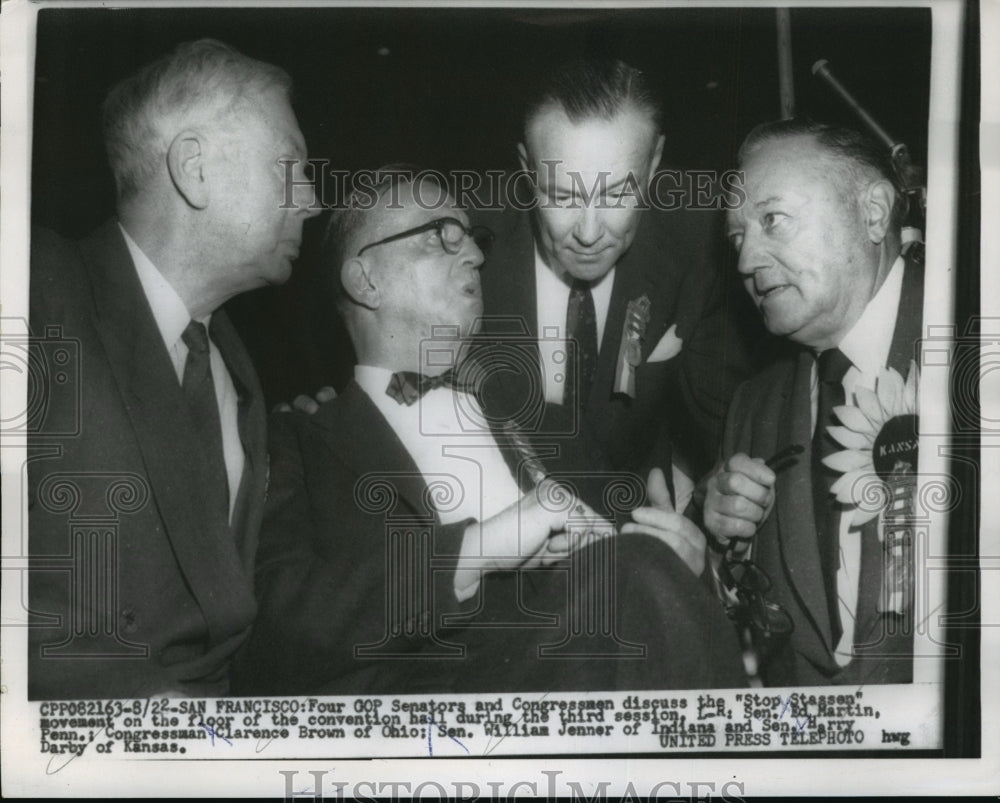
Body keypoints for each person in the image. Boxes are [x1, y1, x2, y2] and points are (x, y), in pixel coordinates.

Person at [233, 171, 746, 695]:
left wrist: (688, 568)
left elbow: (644, 573)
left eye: (474, 240)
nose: (477, 257)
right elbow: (275, 627)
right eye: (441, 237)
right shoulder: (295, 439)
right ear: (365, 281)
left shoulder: (544, 422)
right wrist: (478, 549)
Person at [27, 39, 320, 699]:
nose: (311, 201)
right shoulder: (30, 286)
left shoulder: (240, 375)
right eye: (292, 168)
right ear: (194, 168)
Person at [699, 119, 923, 685]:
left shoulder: (973, 351)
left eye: (772, 220)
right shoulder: (753, 410)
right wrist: (723, 548)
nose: (747, 260)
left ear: (873, 212)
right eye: (736, 237)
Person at [473, 58, 753, 506]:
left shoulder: (698, 245)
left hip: (636, 527)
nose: (588, 233)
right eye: (561, 195)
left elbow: (737, 431)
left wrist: (714, 494)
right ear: (527, 168)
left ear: (655, 162)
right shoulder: (466, 247)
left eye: (617, 193)